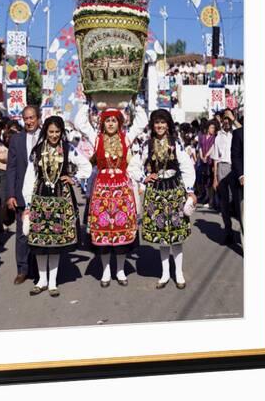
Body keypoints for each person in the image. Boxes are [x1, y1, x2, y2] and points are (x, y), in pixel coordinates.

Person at [75, 102, 148, 287]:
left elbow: (142, 121)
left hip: (122, 191)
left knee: (121, 233)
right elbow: (79, 123)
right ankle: (106, 271)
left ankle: (121, 270)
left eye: (114, 120)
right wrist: (88, 102)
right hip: (102, 191)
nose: (110, 124)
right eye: (107, 120)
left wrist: (133, 102)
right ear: (102, 123)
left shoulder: (126, 138)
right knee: (104, 235)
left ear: (119, 123)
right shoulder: (97, 138)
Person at [22, 116, 91, 296]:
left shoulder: (68, 149)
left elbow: (87, 166)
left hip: (61, 198)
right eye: (51, 132)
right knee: (40, 243)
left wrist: (73, 178)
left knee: (55, 243)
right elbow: (30, 177)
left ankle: (52, 282)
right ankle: (41, 281)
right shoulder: (37, 150)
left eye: (57, 132)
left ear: (62, 133)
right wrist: (28, 203)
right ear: (46, 131)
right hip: (40, 197)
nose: (54, 135)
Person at [128, 109, 196, 289]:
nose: (159, 126)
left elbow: (187, 166)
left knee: (176, 235)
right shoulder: (146, 144)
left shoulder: (176, 143)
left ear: (168, 124)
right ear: (152, 125)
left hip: (175, 190)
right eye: (156, 122)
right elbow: (133, 167)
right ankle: (165, 273)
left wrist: (190, 191)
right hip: (156, 192)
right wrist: (144, 177)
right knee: (162, 237)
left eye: (163, 122)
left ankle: (178, 273)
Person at [6, 106, 41, 284]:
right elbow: (11, 168)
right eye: (26, 118)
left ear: (38, 118)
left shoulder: (47, 136)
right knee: (22, 234)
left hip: (43, 194)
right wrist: (10, 194)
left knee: (40, 232)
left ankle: (39, 269)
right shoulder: (16, 140)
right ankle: (22, 269)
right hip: (21, 194)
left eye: (32, 118)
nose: (29, 122)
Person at [212, 115, 234, 244]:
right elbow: (215, 158)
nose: (226, 122)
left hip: (235, 167)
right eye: (224, 120)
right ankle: (228, 232)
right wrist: (215, 177)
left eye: (229, 120)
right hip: (222, 167)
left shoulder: (236, 133)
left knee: (235, 201)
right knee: (224, 202)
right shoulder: (218, 137)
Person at [197, 119, 218, 207]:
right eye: (211, 127)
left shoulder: (214, 138)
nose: (213, 129)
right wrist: (202, 156)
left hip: (211, 161)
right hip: (203, 162)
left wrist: (206, 156)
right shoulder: (202, 136)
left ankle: (211, 200)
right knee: (204, 180)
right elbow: (200, 147)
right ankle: (207, 198)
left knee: (210, 180)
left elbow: (213, 148)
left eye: (214, 128)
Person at [231, 122, 244, 247]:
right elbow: (235, 157)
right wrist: (241, 175)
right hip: (244, 182)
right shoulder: (239, 133)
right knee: (245, 218)